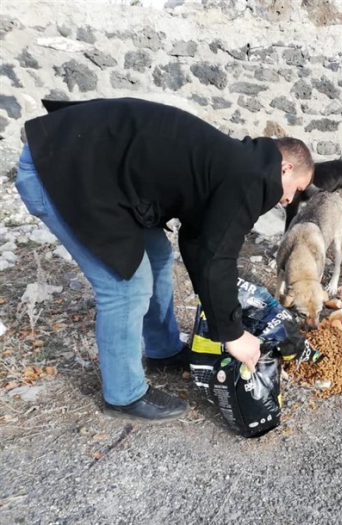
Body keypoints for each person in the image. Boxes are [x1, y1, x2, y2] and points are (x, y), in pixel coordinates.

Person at [15, 97, 314, 422]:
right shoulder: (252, 177)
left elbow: (200, 241)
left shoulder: (238, 163)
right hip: (61, 171)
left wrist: (220, 312)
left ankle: (163, 351)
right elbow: (218, 256)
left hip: (98, 173)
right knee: (126, 286)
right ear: (285, 168)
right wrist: (232, 334)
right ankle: (124, 395)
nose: (289, 200)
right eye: (296, 189)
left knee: (157, 255)